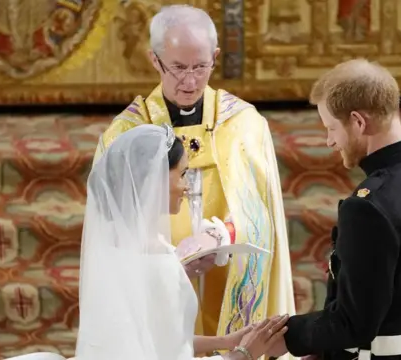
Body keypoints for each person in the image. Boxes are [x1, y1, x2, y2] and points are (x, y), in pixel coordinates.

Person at [92, 3, 295, 346]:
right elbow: (112, 229)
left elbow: (261, 214)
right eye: (178, 67)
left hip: (228, 278)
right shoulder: (126, 135)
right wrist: (166, 266)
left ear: (215, 56)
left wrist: (218, 237)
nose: (189, 80)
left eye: (201, 66)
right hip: (157, 281)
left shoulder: (244, 124)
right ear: (154, 60)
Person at [267, 59, 401, 360]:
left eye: (331, 127)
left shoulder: (368, 208)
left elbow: (353, 323)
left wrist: (284, 335)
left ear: (358, 122)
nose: (329, 140)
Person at [74, 124, 289, 360]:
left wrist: (225, 341)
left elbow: (156, 342)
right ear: (155, 178)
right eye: (183, 174)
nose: (187, 186)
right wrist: (245, 353)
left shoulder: (112, 247)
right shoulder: (157, 261)